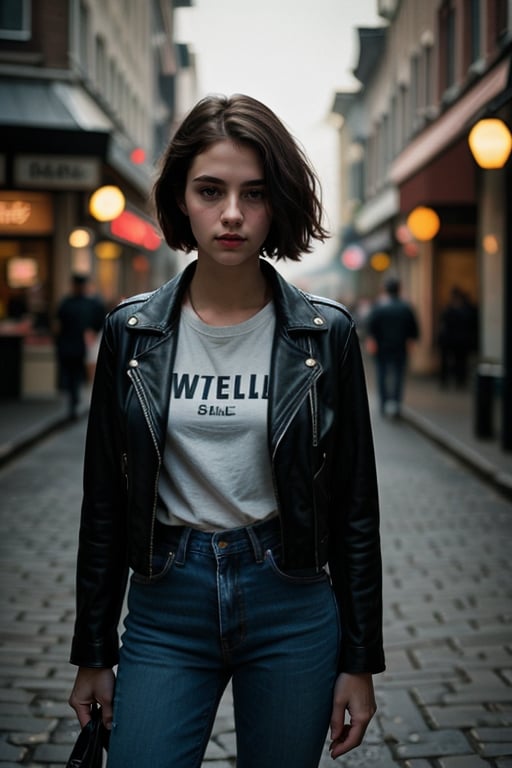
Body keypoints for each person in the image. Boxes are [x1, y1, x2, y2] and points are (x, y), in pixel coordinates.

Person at [68, 94, 384, 768]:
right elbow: (104, 506)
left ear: (278, 205)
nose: (233, 214)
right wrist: (93, 653)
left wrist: (360, 661)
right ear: (182, 198)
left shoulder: (325, 337)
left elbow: (356, 508)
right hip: (165, 604)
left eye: (255, 193)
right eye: (211, 191)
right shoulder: (131, 335)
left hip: (291, 601)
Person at [366, 275, 419, 417]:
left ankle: (383, 403)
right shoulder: (405, 307)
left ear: (385, 289)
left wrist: (372, 342)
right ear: (399, 289)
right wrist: (411, 342)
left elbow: (371, 327)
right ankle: (396, 403)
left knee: (382, 374)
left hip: (382, 347)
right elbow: (413, 328)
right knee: (398, 375)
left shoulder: (379, 306)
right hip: (400, 346)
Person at [55, 274, 106, 419]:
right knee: (75, 376)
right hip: (76, 345)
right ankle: (76, 401)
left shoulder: (69, 303)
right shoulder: (89, 304)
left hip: (75, 345)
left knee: (75, 376)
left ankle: (75, 402)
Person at [437, 286, 477, 389]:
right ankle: (455, 381)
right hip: (456, 340)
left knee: (460, 362)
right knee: (457, 362)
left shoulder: (452, 309)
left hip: (457, 340)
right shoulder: (462, 310)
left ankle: (457, 381)